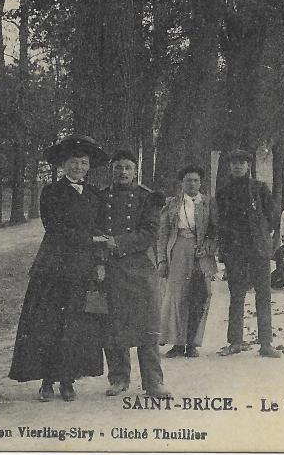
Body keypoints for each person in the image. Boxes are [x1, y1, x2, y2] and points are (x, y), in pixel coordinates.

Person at [9, 135, 109, 402]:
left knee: (74, 325)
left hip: (82, 268)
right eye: (73, 162)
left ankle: (68, 380)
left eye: (83, 163)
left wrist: (99, 262)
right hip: (53, 266)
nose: (78, 167)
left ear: (89, 167)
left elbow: (100, 230)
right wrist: (87, 238)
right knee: (48, 322)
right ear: (64, 165)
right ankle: (46, 381)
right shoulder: (51, 192)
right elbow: (54, 228)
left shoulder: (93, 195)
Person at [100, 150, 171, 398]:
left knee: (147, 325)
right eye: (118, 167)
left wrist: (118, 243)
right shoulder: (102, 197)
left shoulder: (147, 198)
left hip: (140, 268)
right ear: (112, 170)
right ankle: (118, 378)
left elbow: (150, 233)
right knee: (114, 325)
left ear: (135, 171)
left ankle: (153, 381)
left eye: (127, 168)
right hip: (111, 268)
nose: (123, 172)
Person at [215, 149, 282, 357]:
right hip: (235, 251)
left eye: (242, 163)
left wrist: (262, 236)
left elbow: (273, 217)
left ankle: (266, 343)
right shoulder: (223, 191)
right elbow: (220, 222)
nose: (238, 166)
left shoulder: (259, 189)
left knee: (263, 295)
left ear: (248, 166)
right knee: (237, 296)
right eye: (234, 163)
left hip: (258, 251)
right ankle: (235, 342)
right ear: (229, 166)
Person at [157, 165, 218, 358]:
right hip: (178, 249)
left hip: (201, 254)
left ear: (201, 183)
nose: (192, 184)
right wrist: (162, 260)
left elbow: (216, 230)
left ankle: (192, 342)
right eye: (188, 180)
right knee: (177, 295)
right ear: (181, 183)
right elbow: (163, 233)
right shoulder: (172, 204)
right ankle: (177, 342)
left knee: (200, 295)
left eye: (196, 180)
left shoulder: (208, 204)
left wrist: (209, 245)